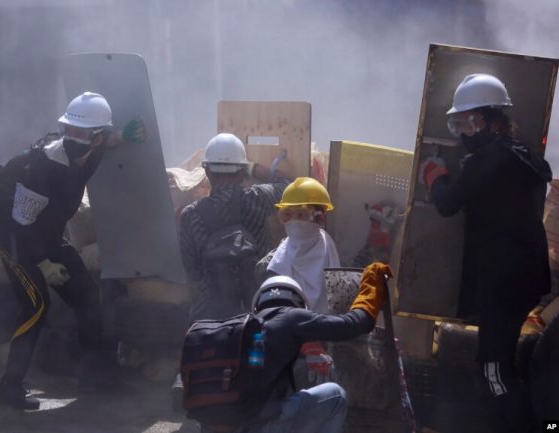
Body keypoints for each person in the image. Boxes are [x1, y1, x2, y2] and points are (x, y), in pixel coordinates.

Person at [0, 92, 145, 409]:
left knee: (87, 296)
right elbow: (21, 226)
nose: (72, 137)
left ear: (97, 137)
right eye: (69, 130)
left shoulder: (94, 150)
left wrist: (124, 136)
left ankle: (93, 377)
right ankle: (9, 387)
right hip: (14, 238)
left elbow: (107, 142)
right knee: (36, 305)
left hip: (45, 234)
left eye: (80, 133)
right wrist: (44, 264)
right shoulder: (43, 167)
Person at [419, 73, 551, 433]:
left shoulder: (489, 160)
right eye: (458, 125)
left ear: (494, 120)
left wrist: (435, 176)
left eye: (471, 123)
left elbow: (448, 203)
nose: (464, 133)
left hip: (504, 284)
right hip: (523, 279)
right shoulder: (522, 155)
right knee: (497, 363)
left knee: (495, 371)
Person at [190, 262, 391, 433]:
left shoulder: (247, 326)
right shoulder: (292, 317)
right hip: (259, 427)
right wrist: (371, 286)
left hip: (218, 426)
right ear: (298, 302)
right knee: (336, 396)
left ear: (258, 303)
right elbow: (352, 325)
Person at [179, 133, 288, 322]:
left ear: (207, 172)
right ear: (241, 172)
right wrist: (254, 168)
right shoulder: (258, 198)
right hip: (257, 308)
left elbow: (193, 271)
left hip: (210, 316)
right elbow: (288, 185)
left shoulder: (190, 215)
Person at [255, 177, 340, 315]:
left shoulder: (327, 246)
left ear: (320, 218)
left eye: (301, 215)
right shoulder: (272, 266)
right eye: (288, 215)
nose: (294, 222)